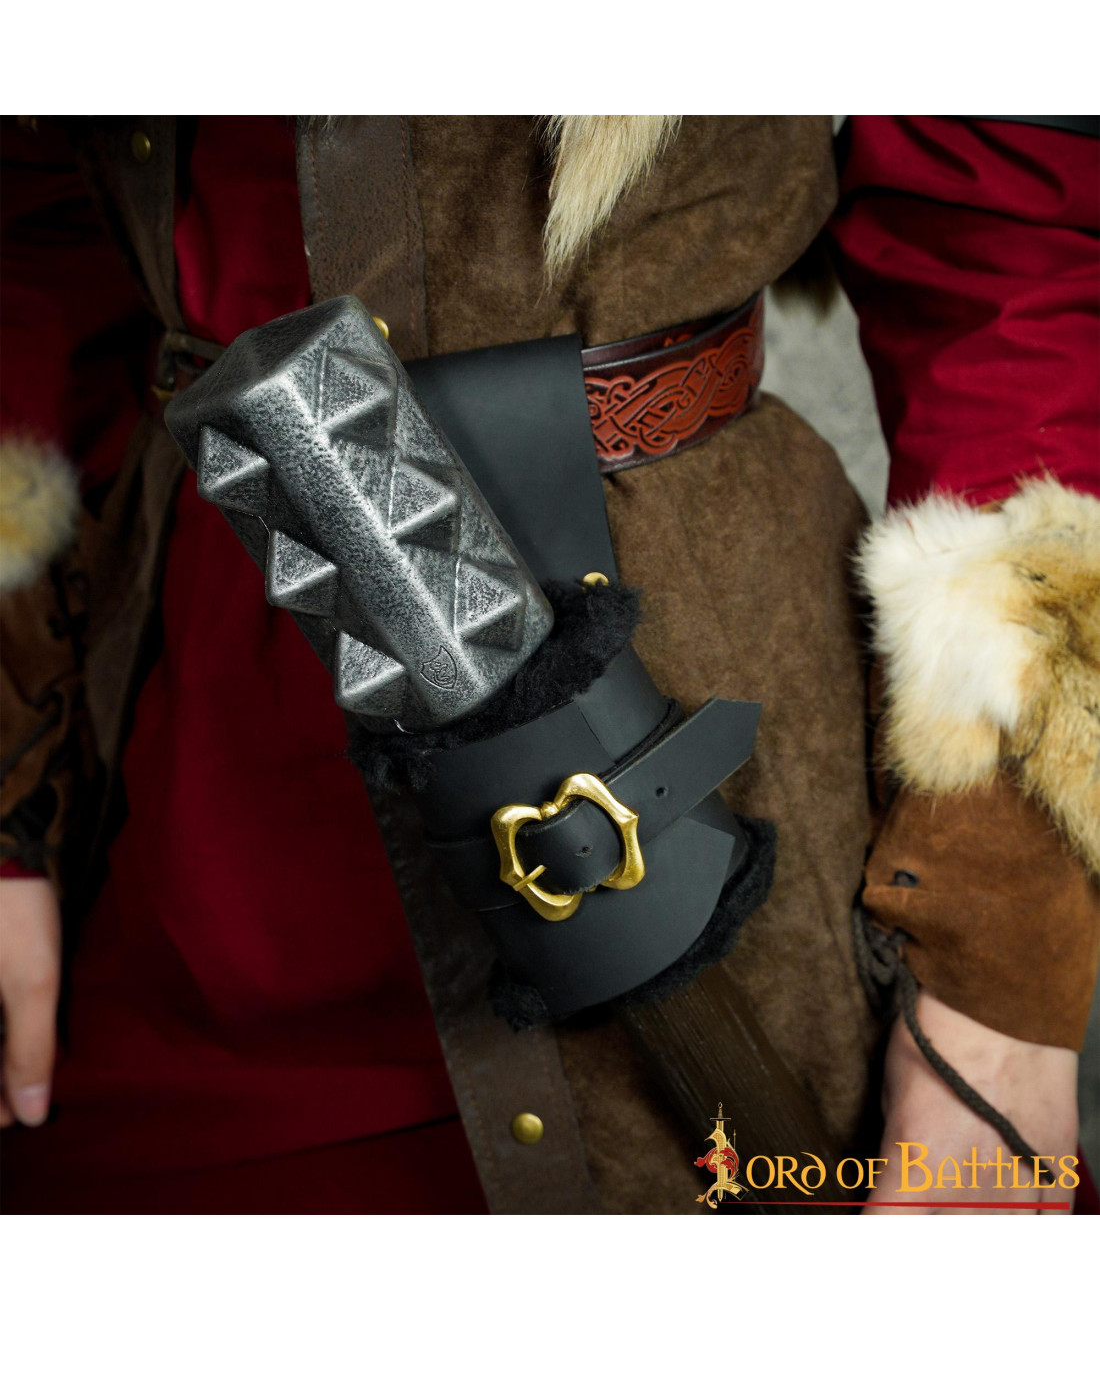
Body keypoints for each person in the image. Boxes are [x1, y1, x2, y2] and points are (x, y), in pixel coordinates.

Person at [1, 115, 1096, 1213]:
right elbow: (33, 241)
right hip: (186, 812)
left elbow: (1005, 239)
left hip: (700, 747)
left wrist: (997, 972)